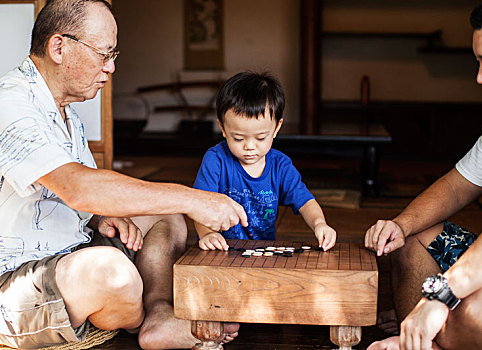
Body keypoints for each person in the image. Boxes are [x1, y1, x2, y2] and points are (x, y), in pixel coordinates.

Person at [0, 0, 248, 348]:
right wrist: (195, 199)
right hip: (13, 282)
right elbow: (75, 185)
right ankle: (138, 311)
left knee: (165, 216)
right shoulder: (10, 103)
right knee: (115, 273)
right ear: (59, 47)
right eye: (104, 54)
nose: (111, 67)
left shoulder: (64, 111)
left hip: (70, 252)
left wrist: (100, 217)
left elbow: (69, 193)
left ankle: (159, 313)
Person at [365, 1, 482, 349]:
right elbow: (456, 187)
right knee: (413, 237)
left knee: (479, 304)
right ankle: (418, 340)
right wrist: (402, 225)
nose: (479, 77)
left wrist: (442, 295)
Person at [192, 71, 337, 251]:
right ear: (222, 128)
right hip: (218, 250)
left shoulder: (280, 166)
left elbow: (306, 202)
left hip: (261, 252)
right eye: (238, 138)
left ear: (276, 128)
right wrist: (206, 234)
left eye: (260, 138)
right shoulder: (216, 160)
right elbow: (198, 203)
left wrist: (320, 224)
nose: (249, 146)